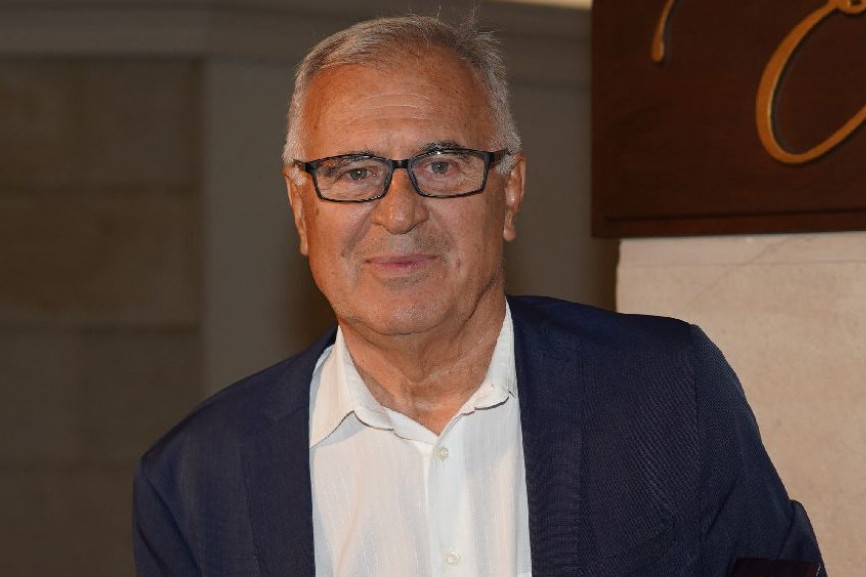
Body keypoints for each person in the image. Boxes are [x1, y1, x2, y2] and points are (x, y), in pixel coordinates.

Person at [133, 14, 825, 577]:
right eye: (353, 171)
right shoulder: (196, 480)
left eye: (441, 164)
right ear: (299, 206)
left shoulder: (667, 391)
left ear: (510, 190)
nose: (398, 212)